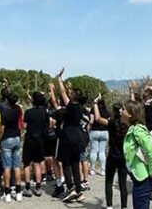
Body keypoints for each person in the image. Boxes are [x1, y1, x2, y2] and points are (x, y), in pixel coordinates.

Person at [56, 68, 89, 203]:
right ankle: (79, 189)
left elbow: (63, 92)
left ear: (74, 97)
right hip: (78, 137)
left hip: (68, 136)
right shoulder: (81, 108)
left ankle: (71, 189)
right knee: (76, 164)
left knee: (66, 163)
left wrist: (59, 79)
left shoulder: (71, 106)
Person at [122, 100, 152, 209]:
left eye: (123, 109)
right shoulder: (133, 128)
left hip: (144, 178)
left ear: (130, 114)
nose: (121, 112)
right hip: (139, 177)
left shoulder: (137, 130)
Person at [94, 98, 128, 209]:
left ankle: (109, 206)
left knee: (109, 181)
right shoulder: (126, 124)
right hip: (123, 156)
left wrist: (95, 104)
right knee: (123, 183)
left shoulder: (111, 122)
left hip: (112, 156)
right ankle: (124, 206)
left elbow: (98, 118)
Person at [22, 91, 49, 197]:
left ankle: (27, 188)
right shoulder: (44, 113)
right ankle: (38, 187)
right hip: (40, 140)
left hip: (29, 139)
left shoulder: (28, 112)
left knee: (27, 164)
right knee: (37, 164)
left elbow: (24, 126)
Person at [0, 92, 24, 202]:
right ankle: (18, 192)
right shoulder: (18, 109)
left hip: (7, 139)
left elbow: (2, 129)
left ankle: (7, 192)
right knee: (17, 166)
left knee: (7, 167)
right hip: (17, 138)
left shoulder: (4, 112)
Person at [89, 98, 110, 177]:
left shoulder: (92, 110)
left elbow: (91, 121)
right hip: (104, 132)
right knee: (102, 151)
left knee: (94, 151)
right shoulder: (106, 111)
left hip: (94, 131)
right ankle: (103, 170)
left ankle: (92, 169)